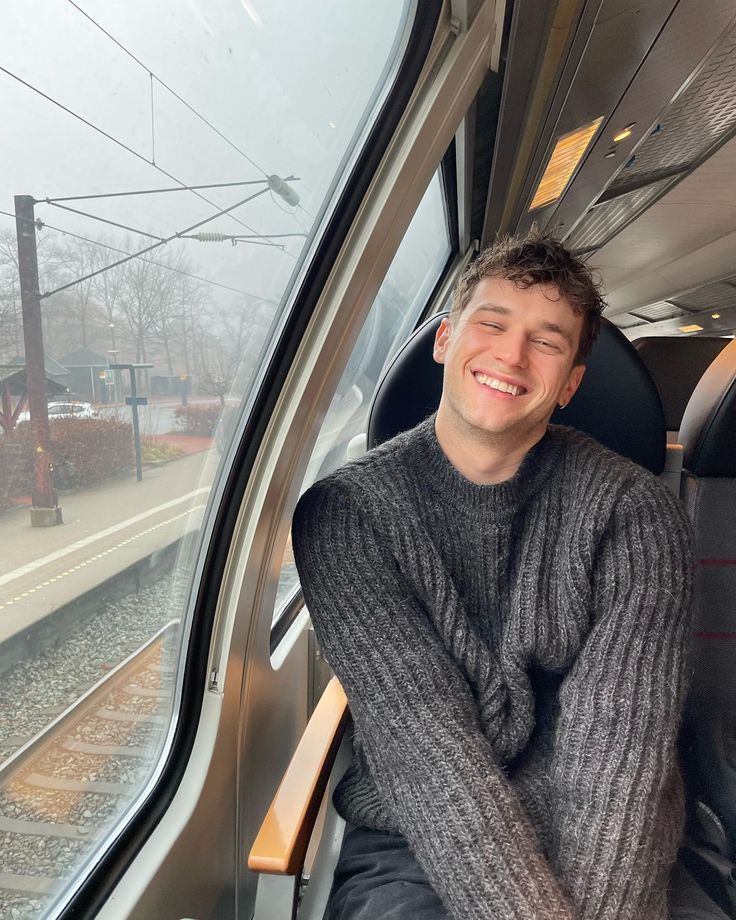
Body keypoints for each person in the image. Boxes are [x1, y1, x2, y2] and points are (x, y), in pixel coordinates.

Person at [292, 231, 698, 919]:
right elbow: (428, 750)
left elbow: (618, 746)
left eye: (547, 340)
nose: (511, 355)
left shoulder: (637, 512)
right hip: (418, 833)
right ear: (445, 341)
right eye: (493, 323)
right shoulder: (346, 517)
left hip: (602, 827)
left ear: (570, 382)